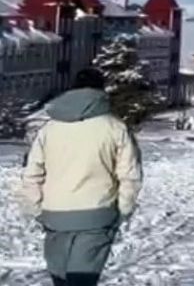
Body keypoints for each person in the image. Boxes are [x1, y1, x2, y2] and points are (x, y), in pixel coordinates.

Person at [21, 68, 142, 286]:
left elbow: (32, 174)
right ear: (102, 91)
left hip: (55, 214)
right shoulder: (115, 127)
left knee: (61, 278)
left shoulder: (50, 129)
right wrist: (124, 209)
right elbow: (130, 175)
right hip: (97, 214)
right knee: (82, 280)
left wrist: (36, 208)